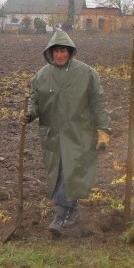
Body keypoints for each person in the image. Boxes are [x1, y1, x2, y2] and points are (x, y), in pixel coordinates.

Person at [20, 29, 111, 235]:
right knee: (62, 173)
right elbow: (35, 100)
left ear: (70, 52)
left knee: (70, 173)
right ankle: (74, 213)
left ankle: (59, 216)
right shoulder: (42, 75)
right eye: (55, 52)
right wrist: (29, 114)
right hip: (53, 136)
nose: (59, 55)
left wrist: (103, 129)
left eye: (63, 51)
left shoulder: (87, 73)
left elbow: (98, 103)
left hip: (80, 134)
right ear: (50, 53)